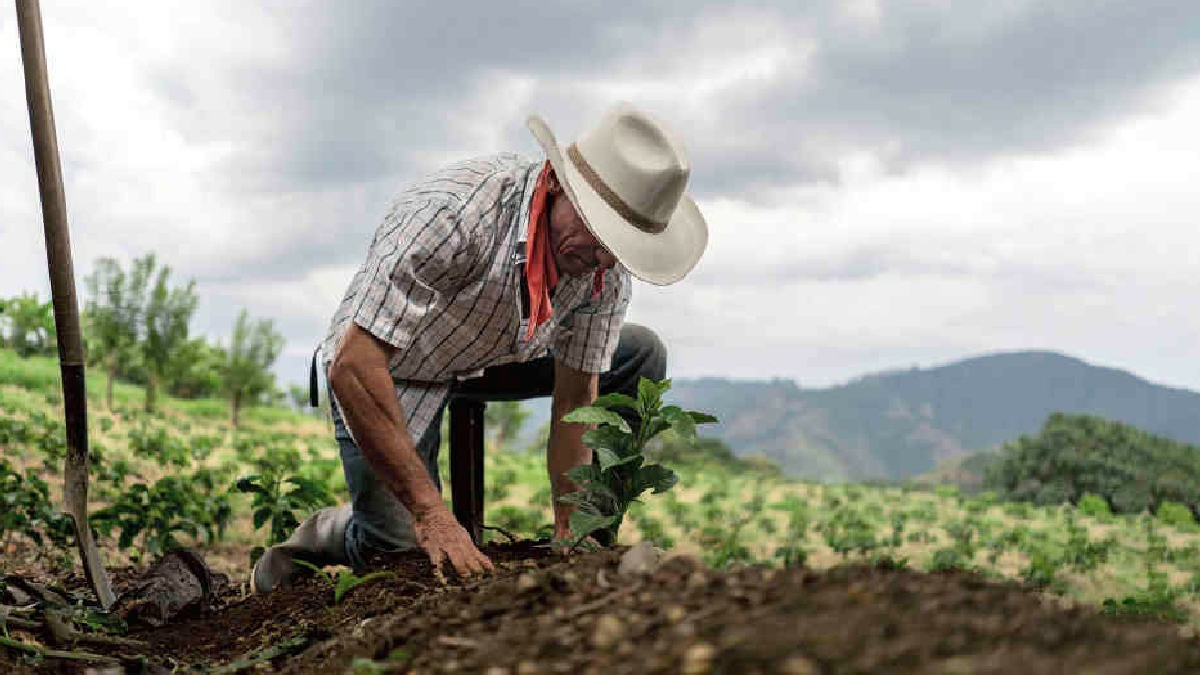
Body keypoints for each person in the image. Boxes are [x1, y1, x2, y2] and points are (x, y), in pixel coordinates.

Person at [251, 101, 709, 593]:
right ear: (558, 184)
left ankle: (594, 546)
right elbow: (354, 364)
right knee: (400, 553)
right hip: (391, 367)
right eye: (598, 234)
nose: (603, 259)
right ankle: (329, 532)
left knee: (639, 352)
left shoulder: (602, 269)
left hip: (495, 355)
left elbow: (577, 397)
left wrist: (571, 527)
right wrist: (431, 514)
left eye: (617, 247)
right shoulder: (454, 215)